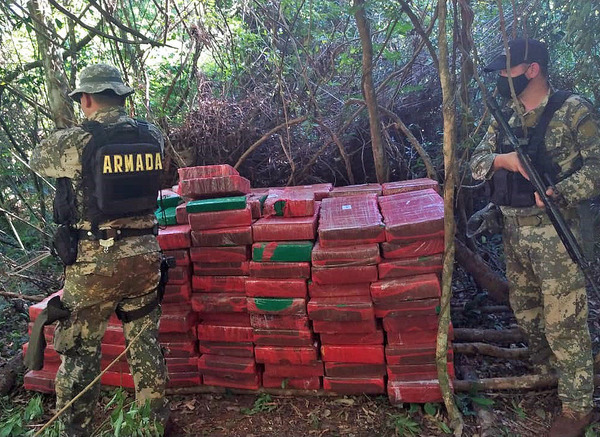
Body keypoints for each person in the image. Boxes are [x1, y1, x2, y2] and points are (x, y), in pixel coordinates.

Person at [30, 64, 170, 436]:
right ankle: (152, 427)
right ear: (122, 96)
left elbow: (37, 160)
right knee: (145, 345)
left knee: (78, 354)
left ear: (86, 99)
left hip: (96, 266)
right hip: (144, 257)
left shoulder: (73, 141)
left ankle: (75, 430)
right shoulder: (152, 134)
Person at [470, 38, 600, 437]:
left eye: (508, 72)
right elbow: (473, 164)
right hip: (514, 230)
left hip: (558, 233)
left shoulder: (573, 110)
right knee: (526, 311)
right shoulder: (504, 114)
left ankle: (578, 408)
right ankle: (549, 375)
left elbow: (597, 168)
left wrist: (559, 193)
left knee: (566, 323)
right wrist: (501, 160)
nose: (502, 81)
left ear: (533, 70)